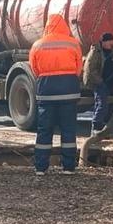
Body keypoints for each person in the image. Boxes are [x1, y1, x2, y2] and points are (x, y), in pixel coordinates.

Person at [29, 13, 83, 175]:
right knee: (68, 129)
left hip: (46, 91)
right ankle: (68, 167)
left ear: (47, 26)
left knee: (44, 129)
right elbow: (78, 67)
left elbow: (34, 68)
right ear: (64, 26)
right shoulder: (73, 44)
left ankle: (41, 167)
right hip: (68, 91)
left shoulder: (38, 45)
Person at [83, 32, 113, 132]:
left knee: (104, 105)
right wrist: (100, 81)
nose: (111, 43)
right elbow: (90, 69)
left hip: (109, 82)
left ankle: (98, 125)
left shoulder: (112, 52)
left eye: (112, 41)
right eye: (109, 41)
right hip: (100, 83)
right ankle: (96, 124)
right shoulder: (96, 52)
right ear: (103, 42)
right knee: (101, 103)